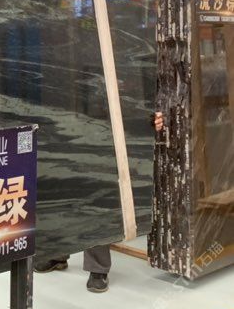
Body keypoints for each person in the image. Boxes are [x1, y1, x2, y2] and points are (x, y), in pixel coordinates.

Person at [35, 112, 165, 293]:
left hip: (106, 125)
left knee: (96, 194)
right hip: (69, 119)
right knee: (62, 188)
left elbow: (142, 100)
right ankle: (58, 252)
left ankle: (97, 268)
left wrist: (152, 117)